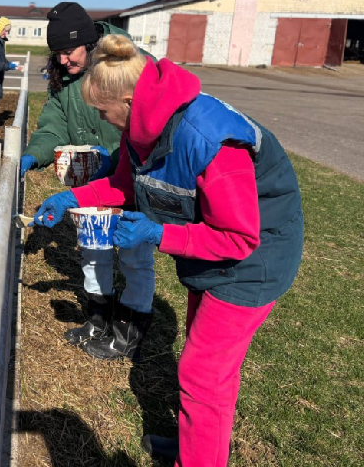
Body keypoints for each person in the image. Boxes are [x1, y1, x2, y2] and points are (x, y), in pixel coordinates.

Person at [34, 34, 304, 466]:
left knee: (202, 376)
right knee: (210, 373)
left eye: (104, 112)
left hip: (254, 259)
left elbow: (239, 237)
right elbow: (125, 184)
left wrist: (158, 234)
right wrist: (74, 198)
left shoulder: (211, 142)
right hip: (210, 252)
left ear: (126, 101)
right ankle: (199, 444)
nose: (105, 121)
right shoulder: (142, 127)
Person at [20, 2, 157, 361]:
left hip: (131, 175)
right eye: (58, 54)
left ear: (89, 43)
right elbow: (53, 126)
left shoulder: (126, 67)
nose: (63, 60)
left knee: (133, 255)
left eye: (68, 51)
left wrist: (116, 157)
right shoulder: (64, 83)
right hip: (95, 181)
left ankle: (129, 330)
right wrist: (33, 154)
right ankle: (98, 320)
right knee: (94, 252)